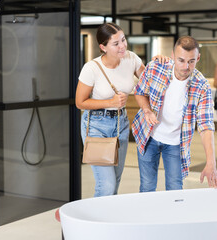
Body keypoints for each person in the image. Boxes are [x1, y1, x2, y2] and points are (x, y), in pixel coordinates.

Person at [75, 22, 167, 197]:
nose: (123, 46)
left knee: (115, 180)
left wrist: (158, 63)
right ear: (103, 47)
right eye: (116, 43)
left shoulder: (131, 59)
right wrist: (110, 102)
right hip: (96, 125)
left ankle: (106, 220)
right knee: (107, 185)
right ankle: (96, 223)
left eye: (123, 40)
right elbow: (80, 102)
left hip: (121, 124)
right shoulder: (91, 68)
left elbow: (150, 80)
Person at [132, 36, 217, 192]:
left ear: (198, 58)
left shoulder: (202, 85)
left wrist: (211, 162)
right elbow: (140, 92)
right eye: (181, 60)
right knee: (147, 186)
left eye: (191, 61)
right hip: (149, 136)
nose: (186, 66)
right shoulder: (156, 68)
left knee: (175, 189)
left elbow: (206, 124)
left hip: (175, 144)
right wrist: (147, 110)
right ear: (172, 55)